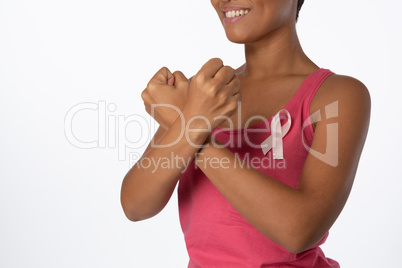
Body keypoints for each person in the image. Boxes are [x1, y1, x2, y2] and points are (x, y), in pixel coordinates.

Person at [120, 0, 371, 267]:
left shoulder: (337, 95)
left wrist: (192, 131)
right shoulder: (205, 94)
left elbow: (299, 230)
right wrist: (191, 122)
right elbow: (135, 205)